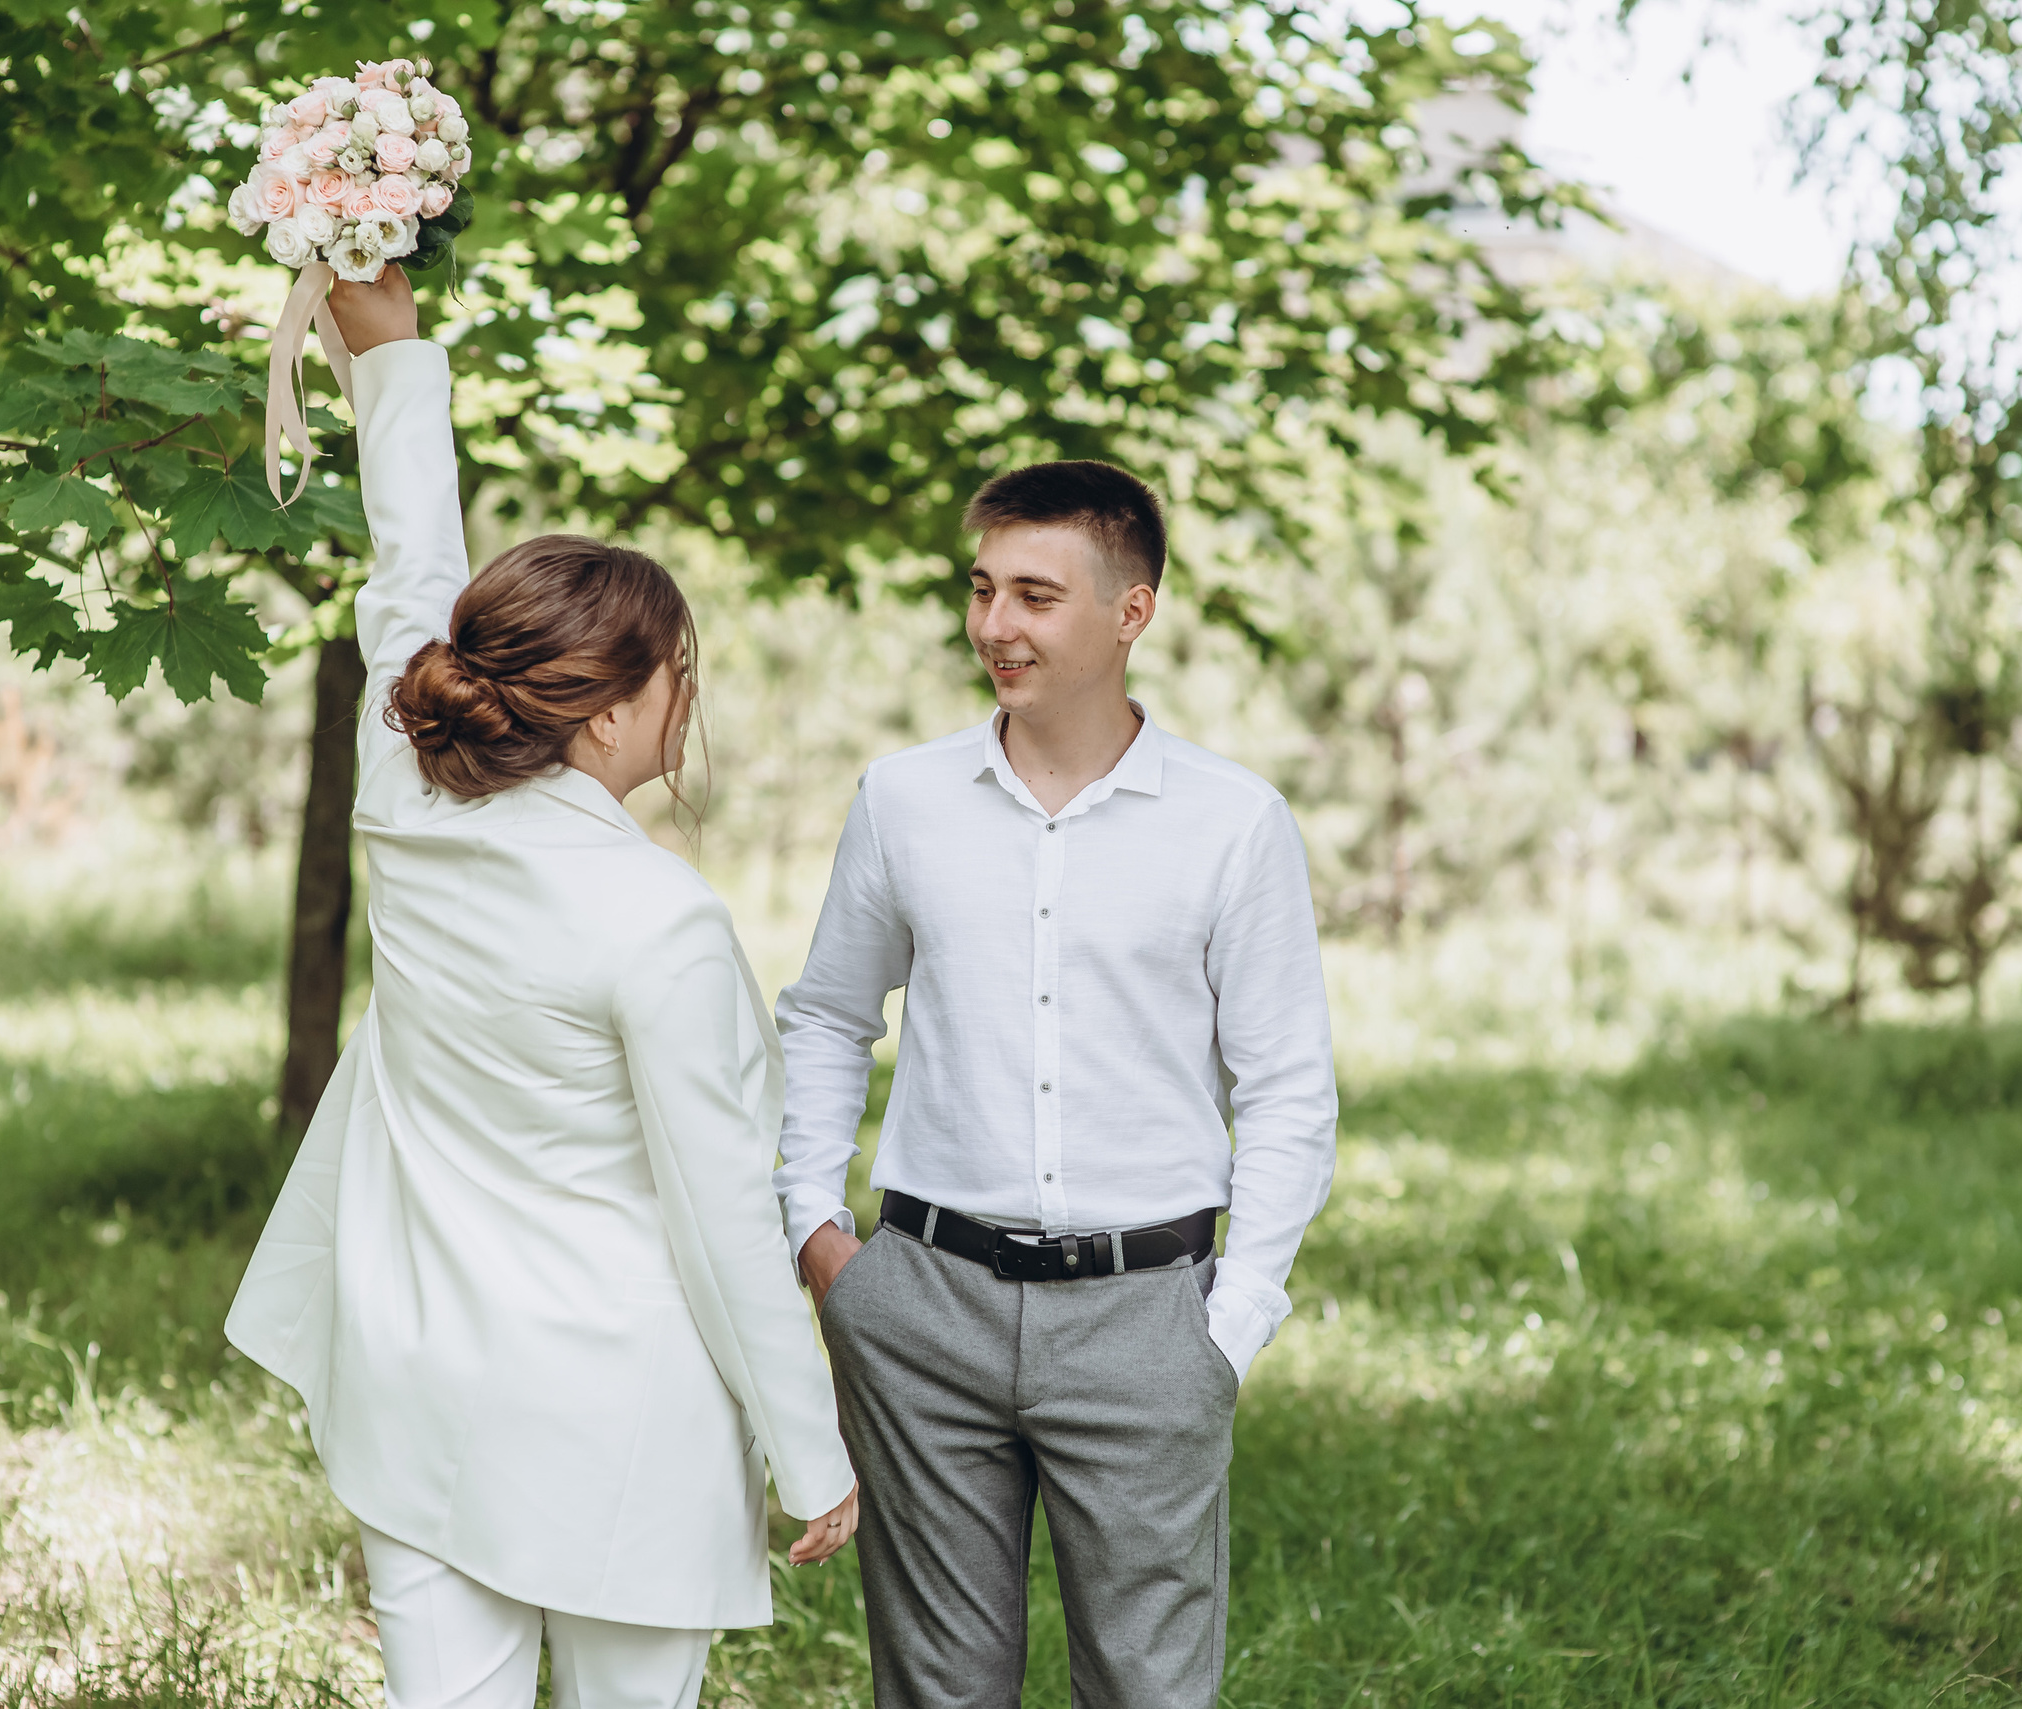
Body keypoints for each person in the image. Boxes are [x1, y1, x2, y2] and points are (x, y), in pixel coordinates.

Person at [225, 265, 860, 1709]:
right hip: (615, 1421)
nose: (688, 697)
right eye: (679, 672)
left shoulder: (403, 800)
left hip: (414, 1380)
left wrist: (391, 355)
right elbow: (721, 1218)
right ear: (616, 709)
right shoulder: (662, 920)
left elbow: (409, 583)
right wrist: (808, 1448)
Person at [773, 460, 1340, 1709]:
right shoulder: (903, 798)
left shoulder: (1233, 822)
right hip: (920, 1304)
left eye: (1035, 595)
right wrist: (817, 1232)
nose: (995, 624)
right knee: (938, 1692)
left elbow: (1289, 1090)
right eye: (982, 589)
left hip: (1147, 1318)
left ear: (1132, 610)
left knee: (1149, 1690)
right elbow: (825, 1015)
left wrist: (1230, 1324)